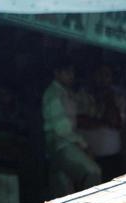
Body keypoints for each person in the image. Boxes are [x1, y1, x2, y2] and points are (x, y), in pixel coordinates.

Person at [42, 59, 101, 194]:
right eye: (67, 73)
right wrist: (84, 146)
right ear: (57, 73)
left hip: (66, 144)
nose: (71, 76)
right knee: (93, 172)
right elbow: (63, 130)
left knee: (64, 190)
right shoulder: (54, 95)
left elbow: (84, 109)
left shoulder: (66, 93)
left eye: (72, 72)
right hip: (61, 145)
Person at [77, 64, 126, 181]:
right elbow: (80, 122)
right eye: (99, 75)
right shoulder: (82, 95)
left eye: (107, 75)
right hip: (87, 157)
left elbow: (115, 122)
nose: (102, 79)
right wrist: (105, 122)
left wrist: (109, 98)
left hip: (112, 159)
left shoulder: (118, 97)